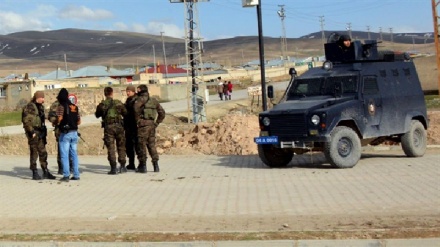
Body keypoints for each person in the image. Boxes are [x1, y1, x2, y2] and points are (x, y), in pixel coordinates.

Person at [21, 91, 56, 180]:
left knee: (43, 152)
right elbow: (26, 121)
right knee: (34, 152)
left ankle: (45, 171)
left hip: (40, 133)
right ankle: (34, 171)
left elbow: (41, 118)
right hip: (33, 133)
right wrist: (31, 132)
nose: (43, 99)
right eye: (42, 98)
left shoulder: (40, 107)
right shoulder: (30, 107)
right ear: (37, 98)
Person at [95, 87, 127, 175]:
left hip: (108, 127)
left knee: (111, 148)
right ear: (112, 93)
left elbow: (97, 115)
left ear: (105, 94)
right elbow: (125, 113)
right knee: (121, 146)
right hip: (119, 126)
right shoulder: (118, 103)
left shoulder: (102, 104)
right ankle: (123, 166)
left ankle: (113, 168)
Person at [134, 84, 166, 173]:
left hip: (143, 126)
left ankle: (143, 166)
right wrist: (156, 123)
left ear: (141, 90)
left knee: (141, 145)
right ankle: (156, 166)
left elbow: (135, 110)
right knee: (151, 145)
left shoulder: (139, 100)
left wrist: (138, 121)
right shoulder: (154, 101)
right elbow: (162, 113)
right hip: (152, 125)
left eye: (138, 90)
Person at [55, 88, 81, 182]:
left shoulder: (61, 106)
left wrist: (56, 123)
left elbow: (60, 118)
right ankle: (76, 175)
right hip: (74, 133)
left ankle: (66, 175)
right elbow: (79, 121)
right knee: (74, 155)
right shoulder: (74, 106)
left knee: (64, 155)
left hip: (65, 134)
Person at [48, 97, 73, 175]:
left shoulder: (70, 104)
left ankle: (70, 166)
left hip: (70, 130)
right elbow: (51, 116)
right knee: (61, 149)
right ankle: (61, 168)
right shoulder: (55, 105)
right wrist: (56, 121)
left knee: (70, 149)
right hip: (60, 130)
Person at [124, 85, 138, 171]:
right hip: (128, 126)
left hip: (134, 126)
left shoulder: (136, 100)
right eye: (127, 91)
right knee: (129, 146)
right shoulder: (128, 100)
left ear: (133, 92)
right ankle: (131, 163)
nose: (127, 93)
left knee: (137, 145)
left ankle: (141, 164)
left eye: (129, 91)